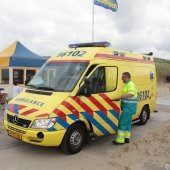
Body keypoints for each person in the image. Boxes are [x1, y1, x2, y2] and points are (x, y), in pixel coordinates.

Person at [113, 72, 138, 144]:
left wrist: (120, 97)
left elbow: (131, 94)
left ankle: (120, 140)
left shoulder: (130, 84)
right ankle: (127, 138)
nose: (122, 79)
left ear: (127, 77)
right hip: (128, 108)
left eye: (123, 77)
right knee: (127, 124)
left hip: (128, 108)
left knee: (122, 123)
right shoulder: (127, 84)